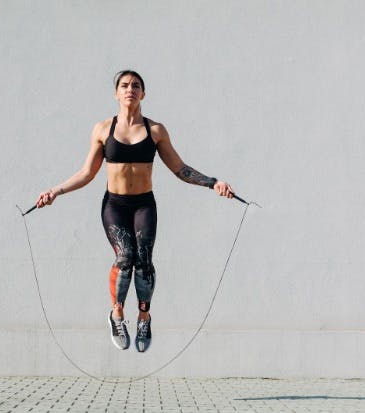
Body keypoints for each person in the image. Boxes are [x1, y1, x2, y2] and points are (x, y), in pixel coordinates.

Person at [36, 70, 234, 352]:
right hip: (115, 205)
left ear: (143, 93)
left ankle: (143, 316)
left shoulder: (155, 131)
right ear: (116, 93)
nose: (130, 89)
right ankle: (117, 313)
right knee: (125, 255)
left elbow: (180, 168)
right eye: (125, 85)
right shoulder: (103, 129)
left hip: (144, 204)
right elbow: (86, 173)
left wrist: (213, 183)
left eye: (136, 85)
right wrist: (56, 191)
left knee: (143, 259)